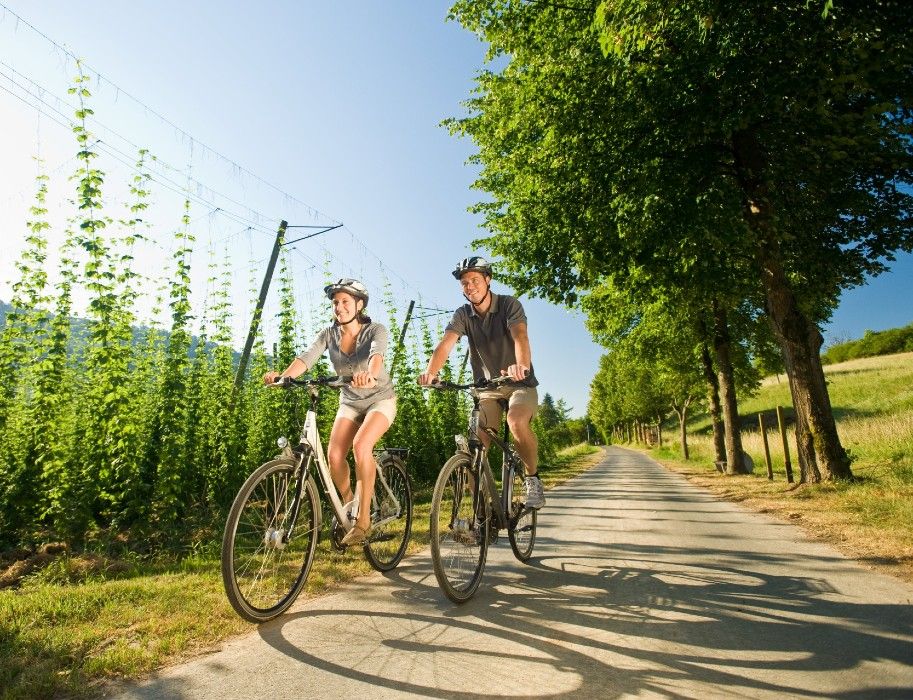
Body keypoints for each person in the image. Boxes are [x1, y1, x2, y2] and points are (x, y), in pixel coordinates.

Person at [263, 278, 396, 545]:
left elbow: (376, 356)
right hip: (349, 401)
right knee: (334, 457)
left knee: (361, 447)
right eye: (336, 302)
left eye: (345, 301)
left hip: (379, 399)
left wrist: (369, 375)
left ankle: (364, 520)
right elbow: (307, 357)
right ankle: (350, 504)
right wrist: (284, 377)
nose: (339, 306)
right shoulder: (328, 334)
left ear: (359, 304)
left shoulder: (375, 330)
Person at [419, 256, 544, 510]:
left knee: (517, 422)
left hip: (519, 383)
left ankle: (532, 479)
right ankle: (482, 514)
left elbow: (520, 336)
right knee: (475, 447)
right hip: (487, 389)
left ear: (488, 280)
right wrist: (431, 372)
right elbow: (446, 344)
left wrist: (521, 366)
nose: (469, 286)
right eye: (464, 283)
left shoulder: (509, 305)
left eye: (475, 280)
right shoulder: (463, 314)